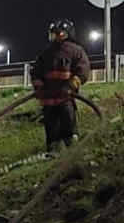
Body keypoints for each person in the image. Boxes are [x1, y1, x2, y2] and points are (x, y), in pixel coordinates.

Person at [30, 19, 91, 154]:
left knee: (69, 126)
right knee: (51, 129)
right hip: (48, 99)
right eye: (54, 34)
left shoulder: (75, 51)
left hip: (65, 97)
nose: (56, 36)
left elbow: (83, 70)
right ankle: (53, 152)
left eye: (59, 33)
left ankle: (72, 151)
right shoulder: (46, 53)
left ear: (67, 34)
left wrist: (71, 85)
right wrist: (39, 86)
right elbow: (36, 71)